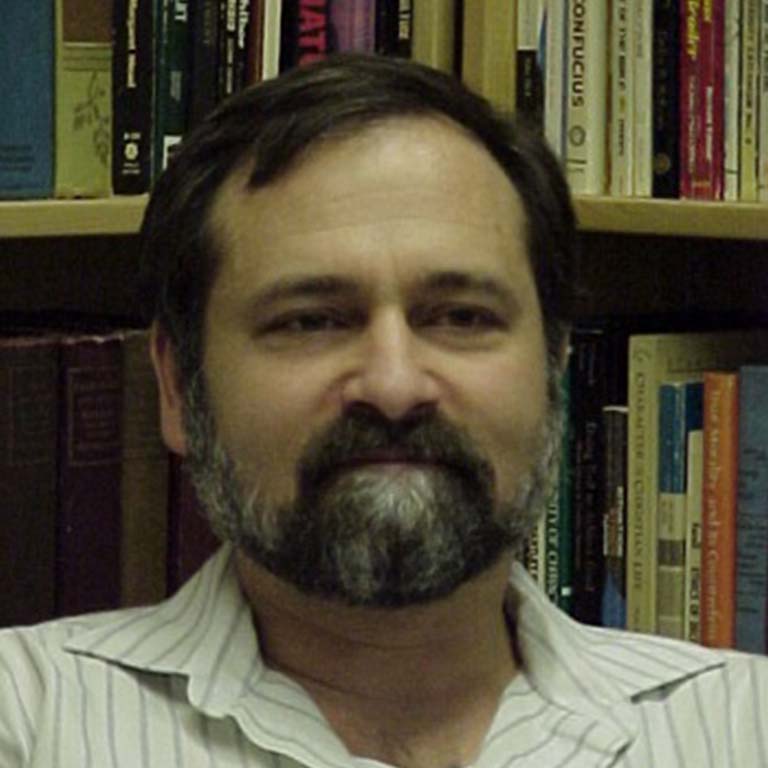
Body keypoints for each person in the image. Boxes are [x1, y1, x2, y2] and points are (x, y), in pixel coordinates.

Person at [0, 54, 766, 768]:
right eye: (310, 320)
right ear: (176, 386)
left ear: (555, 368)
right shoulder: (28, 720)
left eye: (462, 317)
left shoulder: (744, 727)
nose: (395, 387)